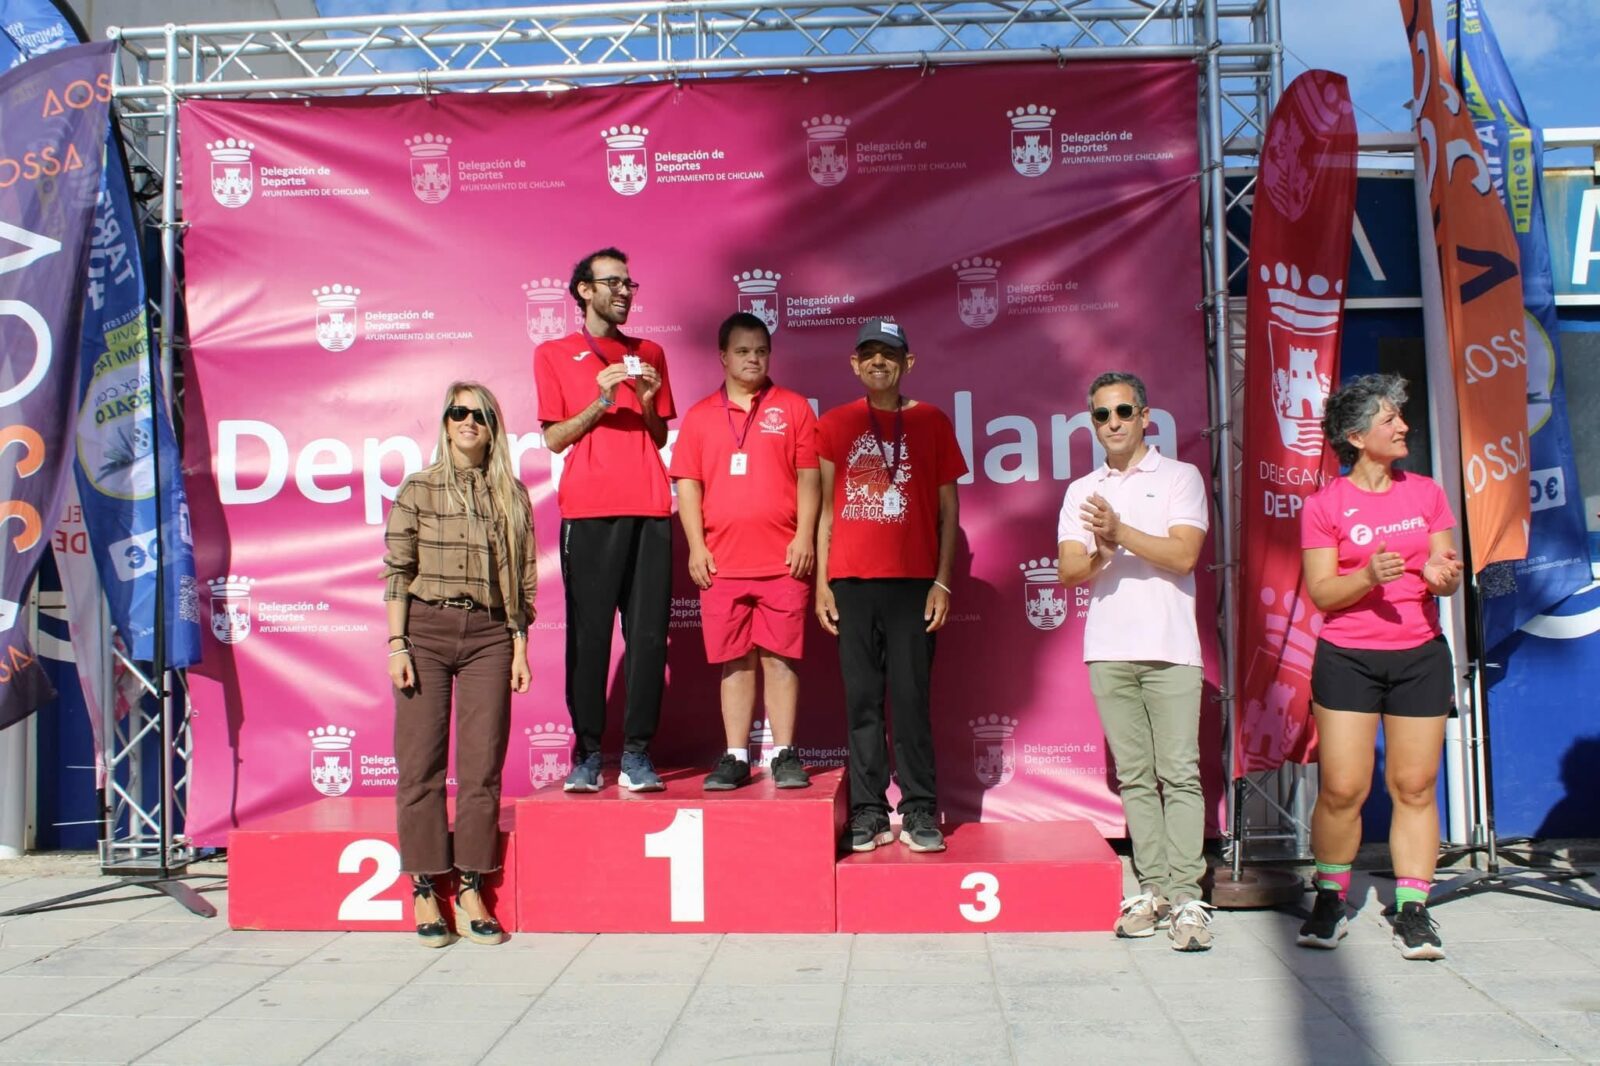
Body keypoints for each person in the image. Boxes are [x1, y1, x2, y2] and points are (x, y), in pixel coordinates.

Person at [1297, 373, 1462, 961]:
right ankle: (1329, 897)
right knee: (1343, 787)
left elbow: (1445, 568)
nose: (1403, 427)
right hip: (1348, 657)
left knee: (1414, 785)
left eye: (1401, 417)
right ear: (1355, 435)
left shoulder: (1427, 493)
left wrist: (1443, 576)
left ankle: (1413, 909)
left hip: (1420, 655)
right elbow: (1322, 592)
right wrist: (1367, 576)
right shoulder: (1324, 505)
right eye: (1390, 419)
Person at [1057, 371, 1214, 952]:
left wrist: (1119, 531)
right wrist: (1102, 552)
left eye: (1123, 411)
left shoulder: (1180, 476)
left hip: (1171, 648)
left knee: (1180, 773)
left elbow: (1184, 555)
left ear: (1146, 417)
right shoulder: (1082, 491)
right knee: (1135, 778)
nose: (1113, 423)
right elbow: (1069, 571)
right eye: (1102, 414)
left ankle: (1188, 895)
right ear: (1092, 423)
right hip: (1108, 650)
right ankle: (1152, 890)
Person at [383, 381, 536, 948]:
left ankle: (471, 886)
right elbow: (397, 570)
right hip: (425, 631)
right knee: (419, 763)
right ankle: (425, 885)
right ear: (446, 423)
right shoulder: (418, 488)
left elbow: (523, 582)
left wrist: (519, 646)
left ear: (493, 428)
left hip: (491, 636)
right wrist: (397, 644)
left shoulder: (512, 496)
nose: (468, 420)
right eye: (458, 412)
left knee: (481, 766)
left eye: (480, 414)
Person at [815, 318, 967, 853]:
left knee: (910, 701)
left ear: (908, 363)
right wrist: (823, 585)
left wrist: (942, 582)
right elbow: (826, 511)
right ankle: (868, 812)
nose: (879, 362)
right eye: (870, 354)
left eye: (890, 354)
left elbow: (949, 512)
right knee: (862, 703)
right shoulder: (835, 423)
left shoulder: (932, 420)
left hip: (913, 585)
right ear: (855, 364)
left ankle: (920, 809)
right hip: (852, 583)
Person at [534, 247, 675, 793]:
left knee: (648, 638)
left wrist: (646, 402)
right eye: (612, 282)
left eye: (628, 284)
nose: (623, 292)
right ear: (584, 291)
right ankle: (589, 754)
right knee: (589, 637)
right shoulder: (553, 353)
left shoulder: (650, 352)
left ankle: (638, 754)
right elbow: (554, 438)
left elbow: (658, 436)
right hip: (589, 512)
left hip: (649, 507)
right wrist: (601, 400)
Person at [669, 313, 820, 790]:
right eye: (742, 351)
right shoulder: (699, 416)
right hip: (722, 563)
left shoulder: (793, 408)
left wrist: (805, 536)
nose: (753, 359)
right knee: (734, 661)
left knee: (780, 658)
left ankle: (784, 753)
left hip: (783, 560)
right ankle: (735, 756)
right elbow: (688, 486)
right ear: (722, 357)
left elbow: (810, 478)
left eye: (760, 351)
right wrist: (696, 546)